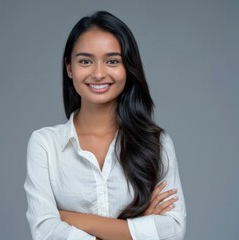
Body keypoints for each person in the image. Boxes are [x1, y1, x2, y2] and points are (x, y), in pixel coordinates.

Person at [24, 11, 186, 240]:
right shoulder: (45, 144)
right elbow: (45, 232)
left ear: (128, 68)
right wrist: (136, 229)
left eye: (112, 61)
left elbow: (173, 231)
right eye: (85, 61)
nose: (99, 73)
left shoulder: (156, 143)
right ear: (69, 68)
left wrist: (71, 218)